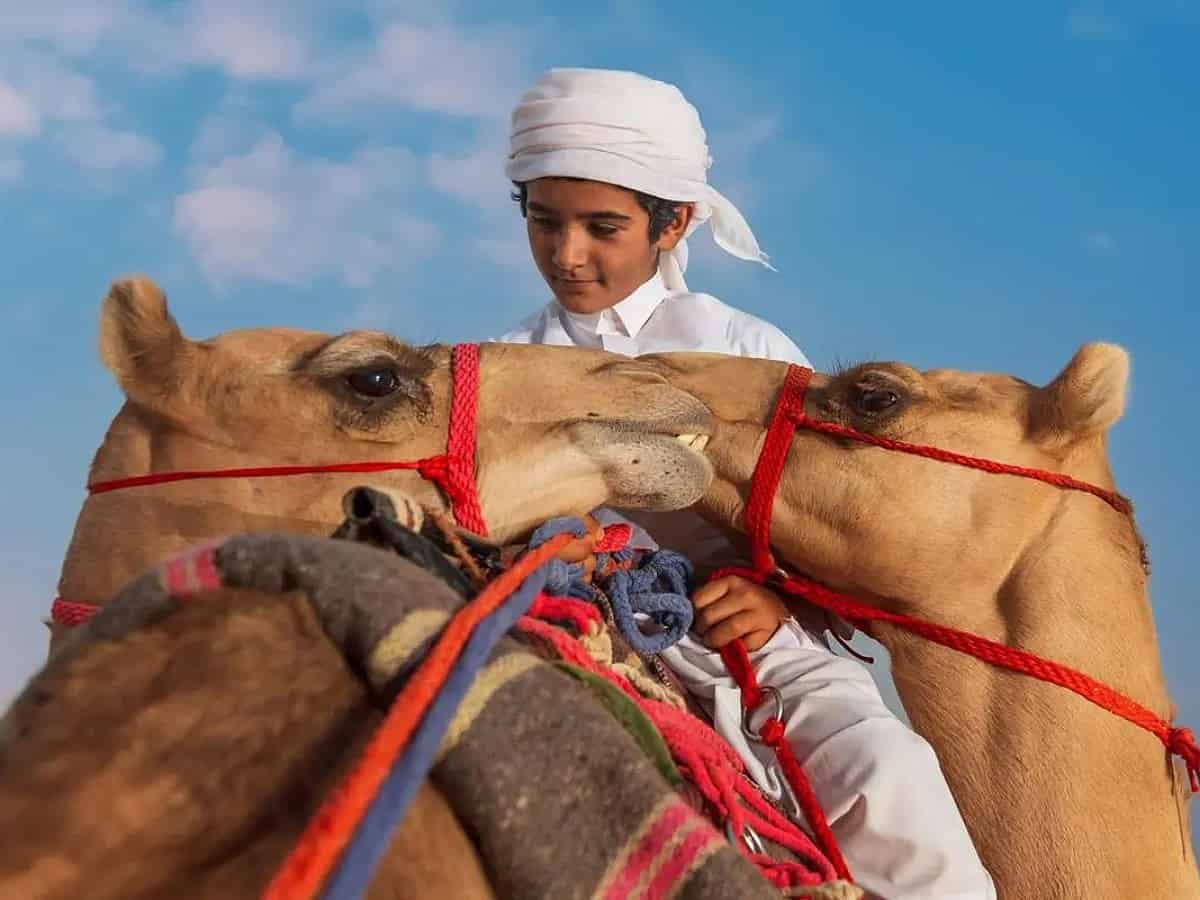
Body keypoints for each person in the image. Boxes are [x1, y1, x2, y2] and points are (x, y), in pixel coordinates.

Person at [494, 67, 996, 900]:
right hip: (567, 629)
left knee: (889, 772)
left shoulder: (748, 349)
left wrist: (782, 602)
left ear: (674, 221)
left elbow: (835, 519)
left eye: (601, 226)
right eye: (545, 222)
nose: (567, 252)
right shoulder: (500, 368)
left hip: (758, 648)